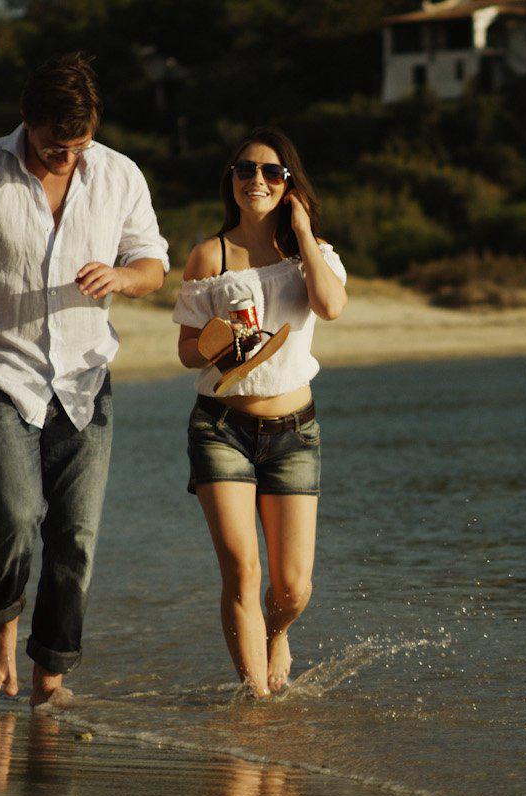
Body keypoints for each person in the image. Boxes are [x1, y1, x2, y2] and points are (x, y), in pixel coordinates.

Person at [0, 52, 169, 707]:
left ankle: (50, 676)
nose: (68, 158)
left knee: (75, 536)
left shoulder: (118, 175)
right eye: (56, 146)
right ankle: (1, 623)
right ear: (28, 121)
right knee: (17, 514)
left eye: (79, 146)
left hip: (86, 378)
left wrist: (124, 278)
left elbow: (154, 264)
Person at [173, 127, 347, 698]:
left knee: (293, 588)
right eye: (245, 169)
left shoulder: (313, 256)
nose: (256, 180)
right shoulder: (210, 255)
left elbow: (331, 306)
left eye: (272, 172)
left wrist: (301, 231)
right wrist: (222, 339)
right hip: (221, 428)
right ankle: (257, 705)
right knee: (243, 573)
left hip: (295, 432)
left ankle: (277, 634)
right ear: (231, 179)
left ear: (290, 184)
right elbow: (185, 352)